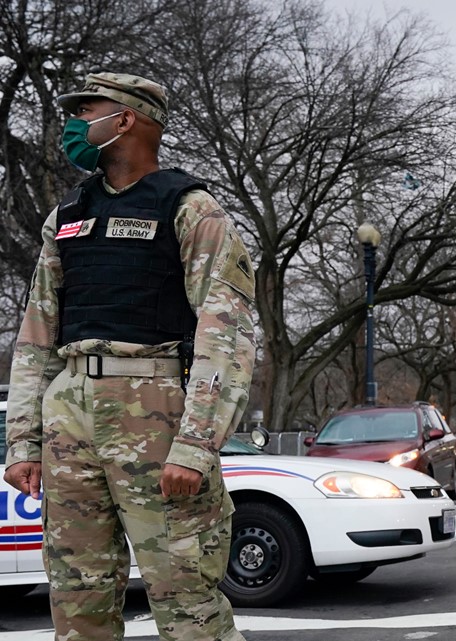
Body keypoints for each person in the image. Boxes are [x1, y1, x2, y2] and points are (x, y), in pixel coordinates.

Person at [2, 73, 256, 641]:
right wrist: (24, 439)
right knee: (77, 596)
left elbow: (228, 333)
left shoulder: (191, 209)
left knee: (186, 597)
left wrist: (195, 444)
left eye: (85, 109)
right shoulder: (65, 216)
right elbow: (36, 334)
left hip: (155, 407)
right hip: (68, 408)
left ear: (126, 119)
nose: (73, 122)